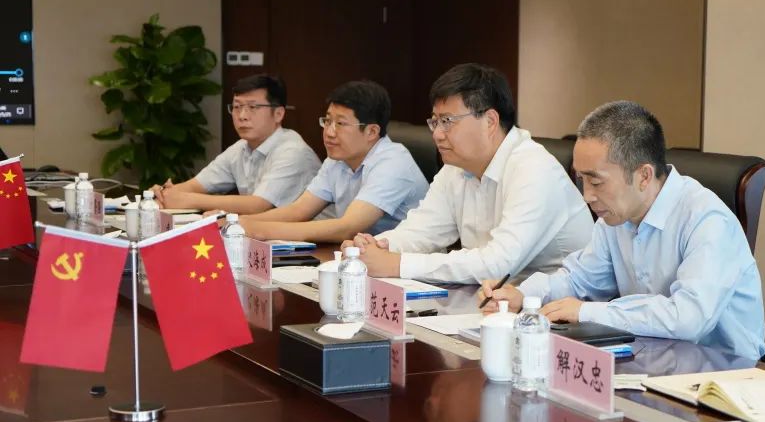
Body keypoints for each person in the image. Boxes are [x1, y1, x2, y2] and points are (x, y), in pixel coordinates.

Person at [480, 101, 765, 360]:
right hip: (654, 360)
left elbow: (688, 318)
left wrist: (586, 312)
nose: (587, 196)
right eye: (581, 181)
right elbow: (579, 280)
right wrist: (522, 294)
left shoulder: (707, 220)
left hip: (725, 375)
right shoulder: (616, 218)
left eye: (596, 182)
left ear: (643, 176)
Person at [345, 63, 593, 283]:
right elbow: (423, 230)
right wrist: (375, 247)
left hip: (553, 306)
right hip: (491, 298)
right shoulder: (456, 167)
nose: (437, 134)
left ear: (490, 121)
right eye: (435, 122)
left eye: (447, 121)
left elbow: (498, 265)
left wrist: (397, 264)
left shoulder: (534, 169)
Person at [238, 80, 427, 242]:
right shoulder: (338, 158)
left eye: (341, 124)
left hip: (404, 261)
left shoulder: (393, 163)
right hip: (359, 254)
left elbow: (348, 227)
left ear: (371, 131)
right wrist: (239, 222)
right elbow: (299, 211)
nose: (329, 132)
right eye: (327, 121)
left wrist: (259, 230)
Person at [153, 74, 320, 213]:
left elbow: (259, 205)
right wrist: (163, 194)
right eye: (237, 107)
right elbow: (196, 185)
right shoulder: (241, 147)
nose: (242, 116)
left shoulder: (293, 151)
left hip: (314, 240)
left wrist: (189, 200)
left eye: (253, 107)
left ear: (278, 114)